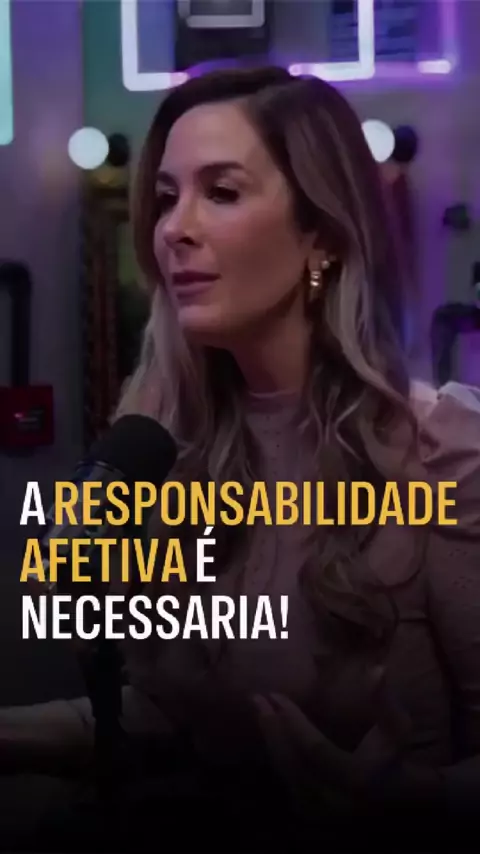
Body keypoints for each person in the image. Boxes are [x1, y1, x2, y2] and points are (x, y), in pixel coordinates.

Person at [1, 66, 480, 851]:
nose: (173, 229)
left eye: (221, 192)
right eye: (166, 198)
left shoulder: (442, 451)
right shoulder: (161, 441)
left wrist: (409, 803)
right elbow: (163, 719)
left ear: (321, 235)